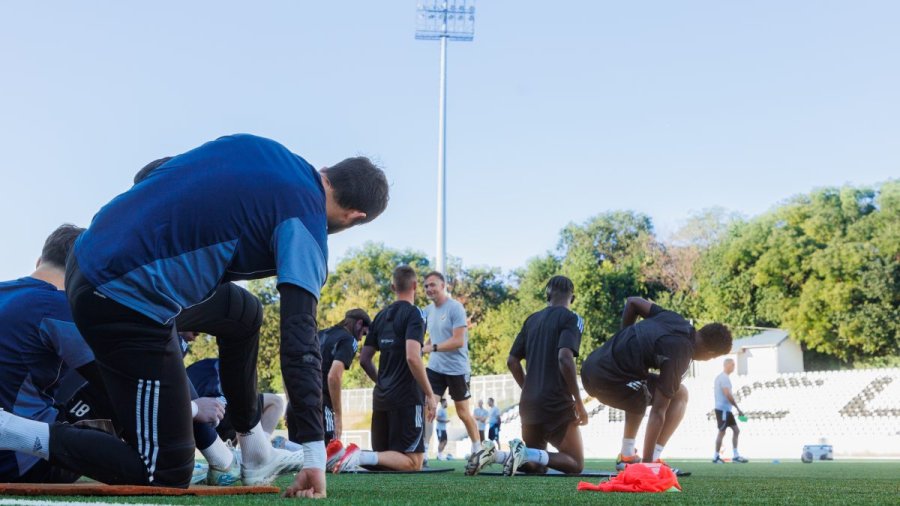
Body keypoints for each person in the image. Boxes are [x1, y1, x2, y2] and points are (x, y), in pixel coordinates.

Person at [0, 134, 389, 497]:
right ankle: (11, 430)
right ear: (356, 216)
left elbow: (151, 172)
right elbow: (299, 341)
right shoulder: (306, 222)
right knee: (166, 474)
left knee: (244, 313)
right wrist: (313, 455)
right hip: (121, 298)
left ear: (328, 171)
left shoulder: (262, 149)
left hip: (90, 260)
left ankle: (254, 448)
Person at [0, 224, 106, 483]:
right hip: (17, 462)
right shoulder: (57, 306)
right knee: (111, 378)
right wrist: (190, 408)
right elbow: (118, 380)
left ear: (39, 260)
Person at [580, 296, 733, 470]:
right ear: (710, 353)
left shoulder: (675, 319)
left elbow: (632, 302)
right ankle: (650, 459)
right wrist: (647, 465)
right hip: (607, 380)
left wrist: (624, 336)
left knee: (642, 383)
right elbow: (658, 412)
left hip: (590, 367)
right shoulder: (681, 353)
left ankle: (627, 454)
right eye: (711, 357)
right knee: (677, 394)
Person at [467, 276, 587, 476]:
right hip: (556, 403)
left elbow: (512, 361)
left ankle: (496, 456)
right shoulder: (573, 318)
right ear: (572, 298)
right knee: (575, 463)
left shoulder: (531, 320)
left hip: (530, 404)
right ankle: (516, 454)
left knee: (536, 465)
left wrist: (529, 388)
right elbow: (565, 359)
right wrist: (579, 402)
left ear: (548, 295)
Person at [331, 266, 436, 472]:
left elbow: (364, 359)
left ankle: (355, 457)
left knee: (386, 461)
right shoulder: (415, 314)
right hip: (407, 398)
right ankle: (358, 456)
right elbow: (413, 356)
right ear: (415, 286)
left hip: (381, 398)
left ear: (392, 287)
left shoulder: (380, 316)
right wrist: (430, 394)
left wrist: (382, 382)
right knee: (414, 462)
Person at [421, 271, 481, 458]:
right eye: (426, 286)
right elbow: (434, 335)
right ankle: (422, 454)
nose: (429, 288)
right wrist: (425, 346)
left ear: (443, 286)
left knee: (463, 413)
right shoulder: (427, 311)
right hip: (435, 368)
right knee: (429, 408)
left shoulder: (455, 308)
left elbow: (458, 341)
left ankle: (478, 450)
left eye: (433, 284)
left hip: (457, 369)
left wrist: (431, 348)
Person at [713, 358, 748, 464]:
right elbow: (727, 394)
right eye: (732, 364)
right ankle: (716, 457)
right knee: (722, 432)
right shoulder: (723, 378)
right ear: (727, 365)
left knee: (736, 430)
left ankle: (736, 455)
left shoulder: (723, 377)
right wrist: (738, 408)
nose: (734, 366)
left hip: (726, 410)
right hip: (723, 410)